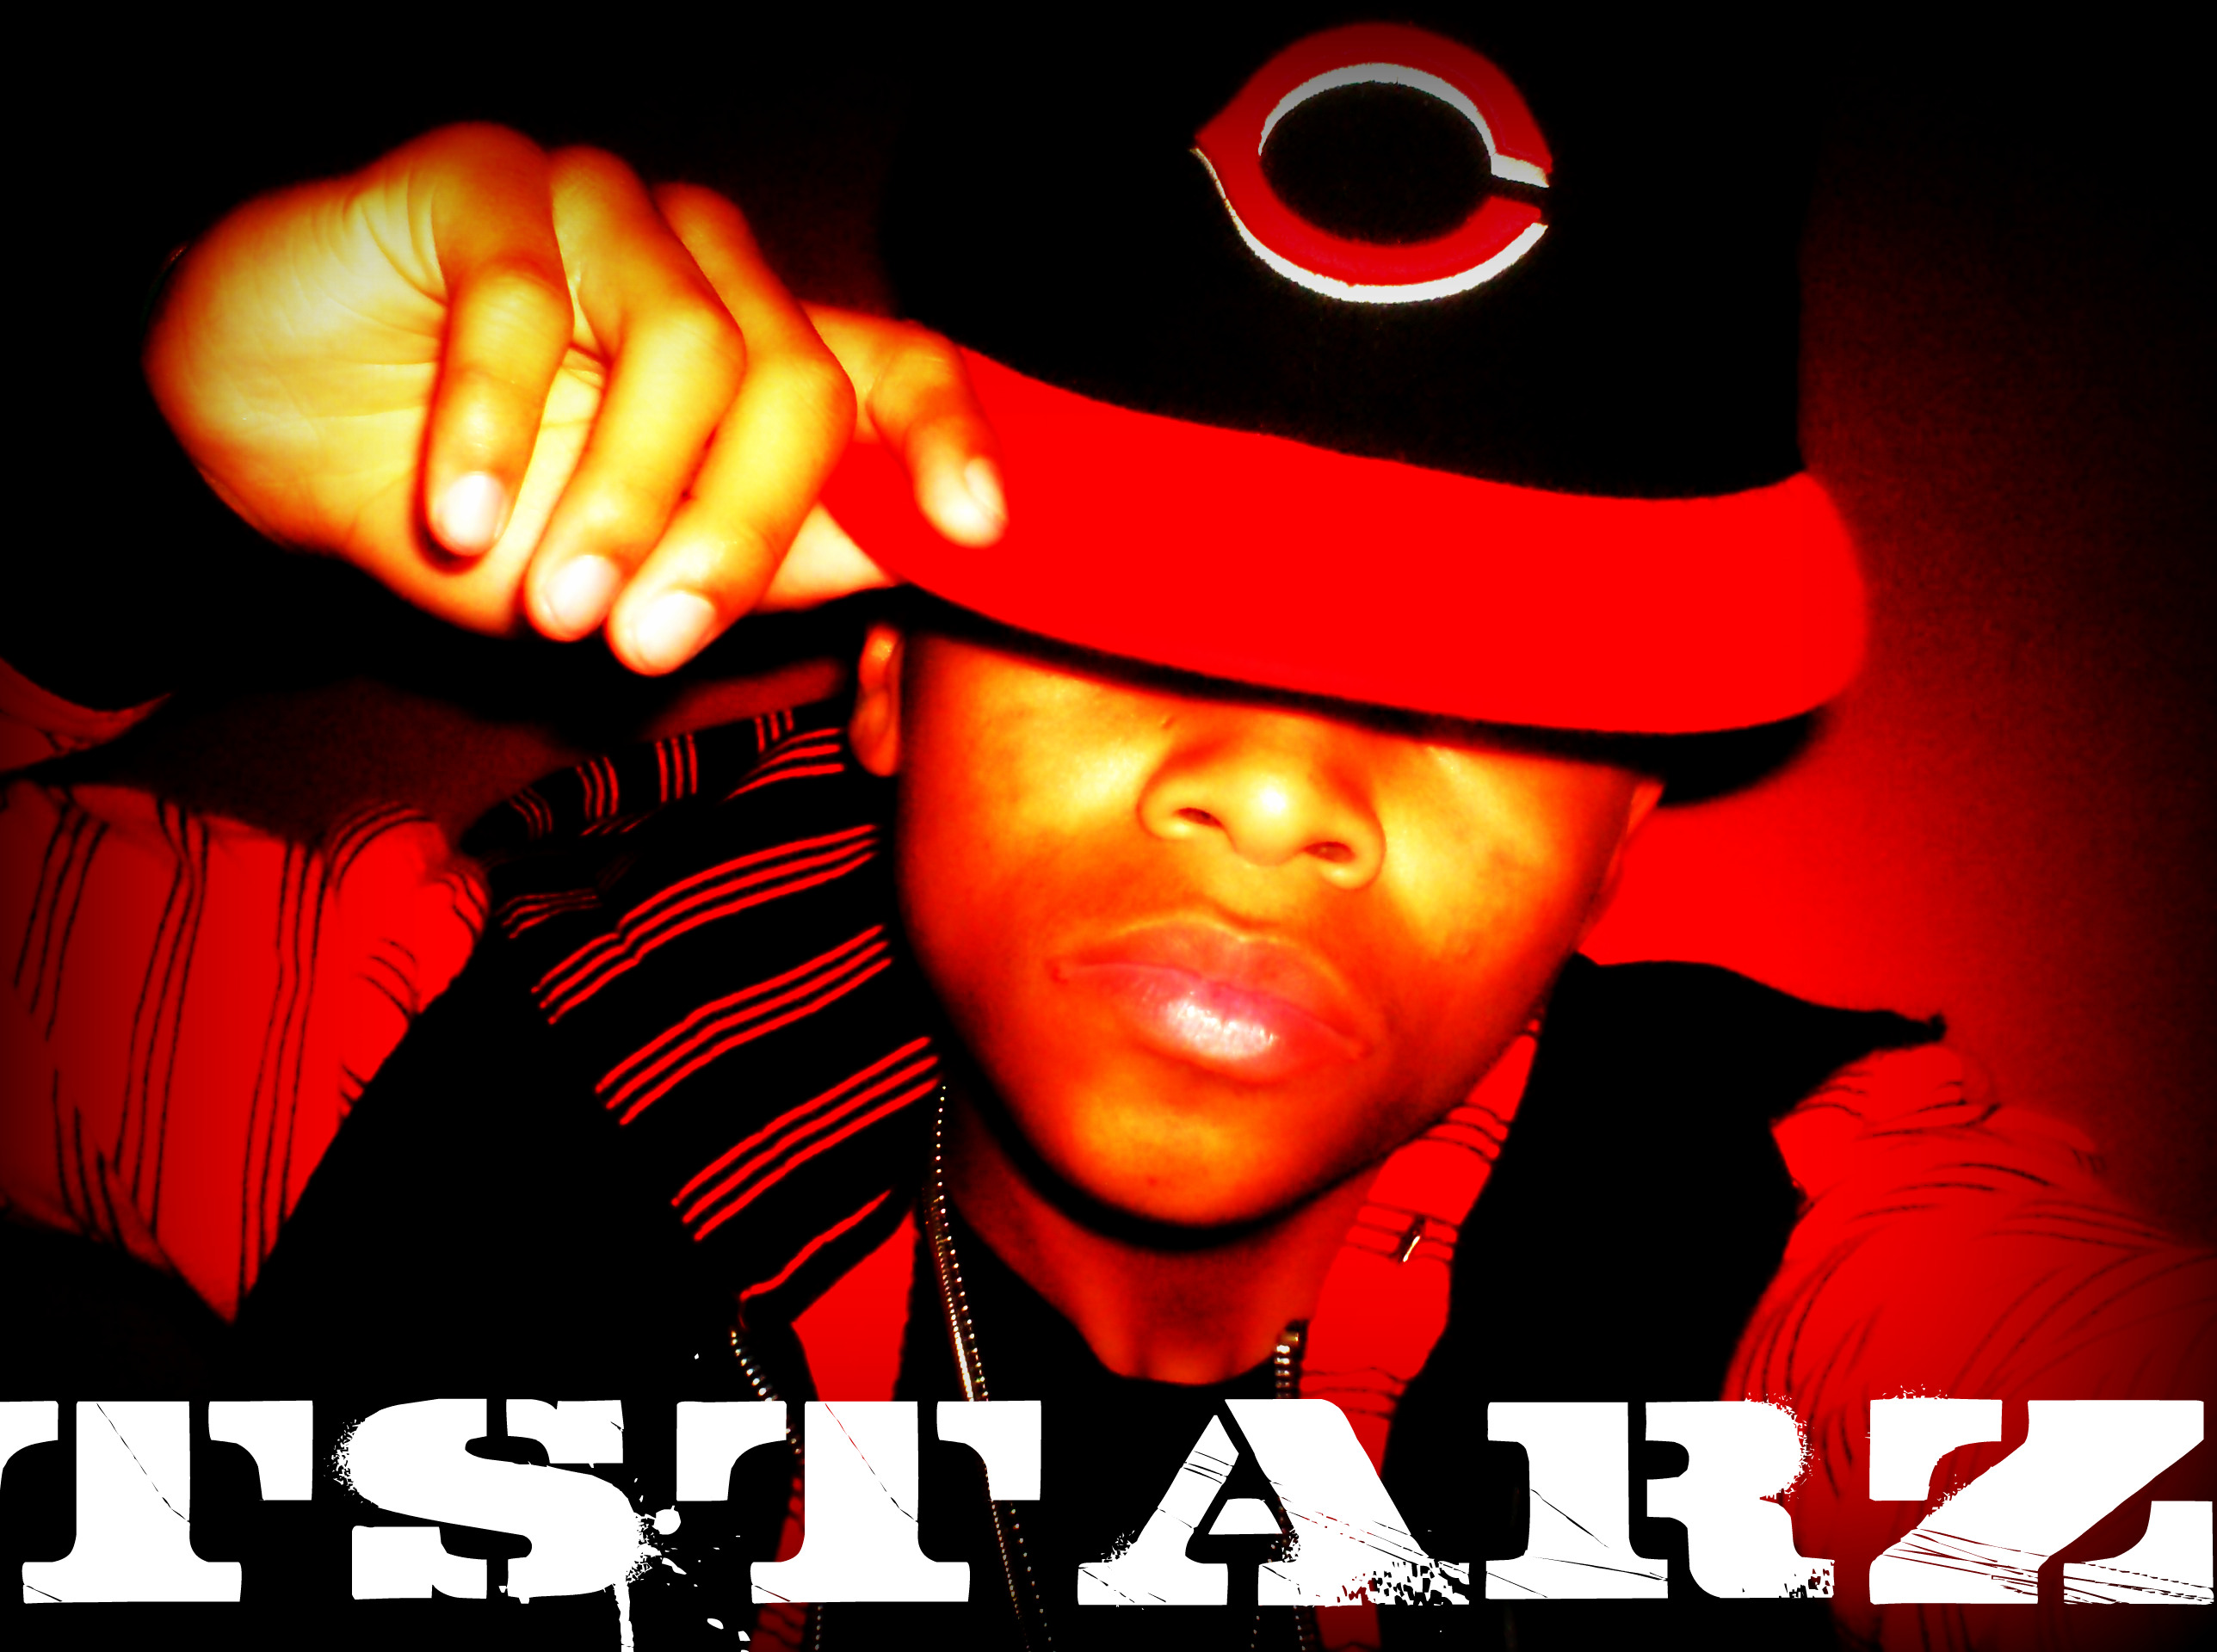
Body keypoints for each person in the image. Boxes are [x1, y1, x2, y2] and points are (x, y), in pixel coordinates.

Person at [9, 16, 2213, 1652]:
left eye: (1497, 668)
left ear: (1618, 831)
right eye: (1126, 607)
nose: (1276, 788)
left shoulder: (1796, 1246)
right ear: (890, 680)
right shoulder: (424, 1077)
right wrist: (138, 494)